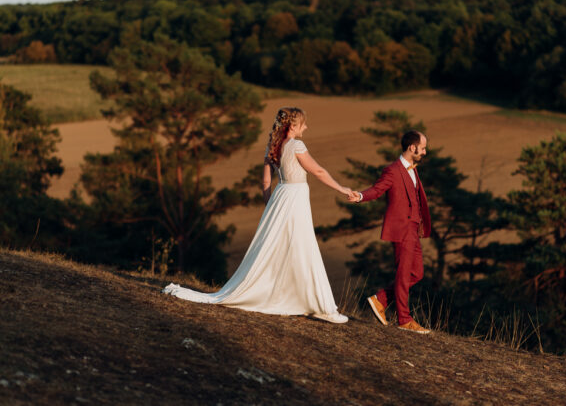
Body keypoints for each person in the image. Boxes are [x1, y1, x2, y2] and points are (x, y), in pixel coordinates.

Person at [163, 107, 351, 323]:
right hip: (295, 197)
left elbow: (265, 182)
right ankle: (321, 306)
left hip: (280, 197)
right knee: (302, 245)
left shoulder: (272, 146)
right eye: (303, 124)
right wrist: (342, 188)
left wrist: (270, 205)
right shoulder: (297, 145)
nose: (306, 127)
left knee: (280, 246)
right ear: (293, 126)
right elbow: (318, 171)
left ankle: (304, 300)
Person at [348, 130, 432, 334]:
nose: (425, 152)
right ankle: (404, 319)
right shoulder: (392, 170)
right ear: (412, 148)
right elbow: (377, 190)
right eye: (423, 148)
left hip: (413, 227)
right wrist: (360, 196)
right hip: (402, 228)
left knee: (417, 273)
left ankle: (381, 299)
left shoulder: (413, 169)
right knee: (403, 274)